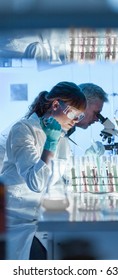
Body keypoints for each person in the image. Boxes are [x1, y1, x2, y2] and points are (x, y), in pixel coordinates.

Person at [0, 81, 86, 260]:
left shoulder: (61, 137)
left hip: (40, 219)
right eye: (74, 114)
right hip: (15, 220)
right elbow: (36, 182)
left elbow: (59, 179)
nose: (76, 121)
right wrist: (50, 145)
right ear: (55, 105)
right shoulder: (23, 129)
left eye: (80, 116)